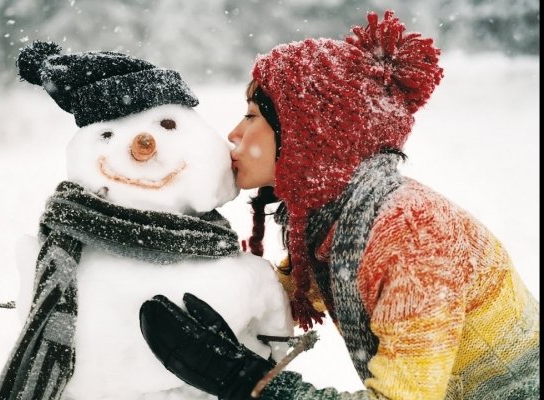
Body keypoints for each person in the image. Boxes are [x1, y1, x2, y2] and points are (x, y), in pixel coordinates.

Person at [138, 10, 540, 400]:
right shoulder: (337, 225)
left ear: (307, 133)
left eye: (252, 115)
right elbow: (277, 294)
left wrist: (247, 383)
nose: (234, 132)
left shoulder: (410, 236)